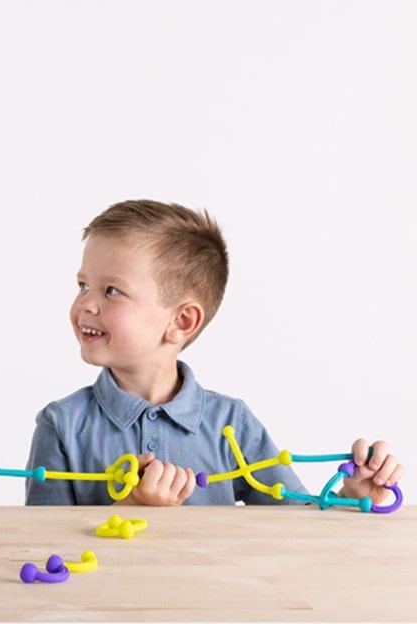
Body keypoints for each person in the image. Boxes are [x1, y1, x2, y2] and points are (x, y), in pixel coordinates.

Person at [25, 199, 404, 507]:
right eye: (83, 285)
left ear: (181, 322)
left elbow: (294, 527)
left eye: (111, 291)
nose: (85, 304)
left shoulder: (232, 424)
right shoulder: (61, 425)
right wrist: (130, 509)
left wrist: (352, 496)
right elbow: (41, 548)